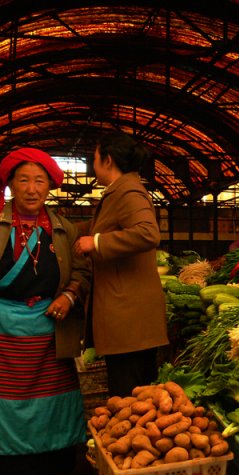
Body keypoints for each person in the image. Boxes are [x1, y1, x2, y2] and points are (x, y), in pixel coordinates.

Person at [0, 148, 90, 475]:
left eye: (39, 181)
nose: (32, 188)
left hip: (47, 327)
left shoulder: (64, 228)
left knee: (51, 405)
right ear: (10, 183)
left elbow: (80, 272)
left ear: (49, 187)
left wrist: (69, 296)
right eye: (24, 180)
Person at [73, 132, 169, 397]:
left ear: (108, 159)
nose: (93, 164)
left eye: (94, 158)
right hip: (128, 320)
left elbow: (148, 233)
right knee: (134, 395)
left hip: (130, 319)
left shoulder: (128, 191)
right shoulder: (119, 191)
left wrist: (97, 243)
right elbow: (97, 227)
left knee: (129, 395)